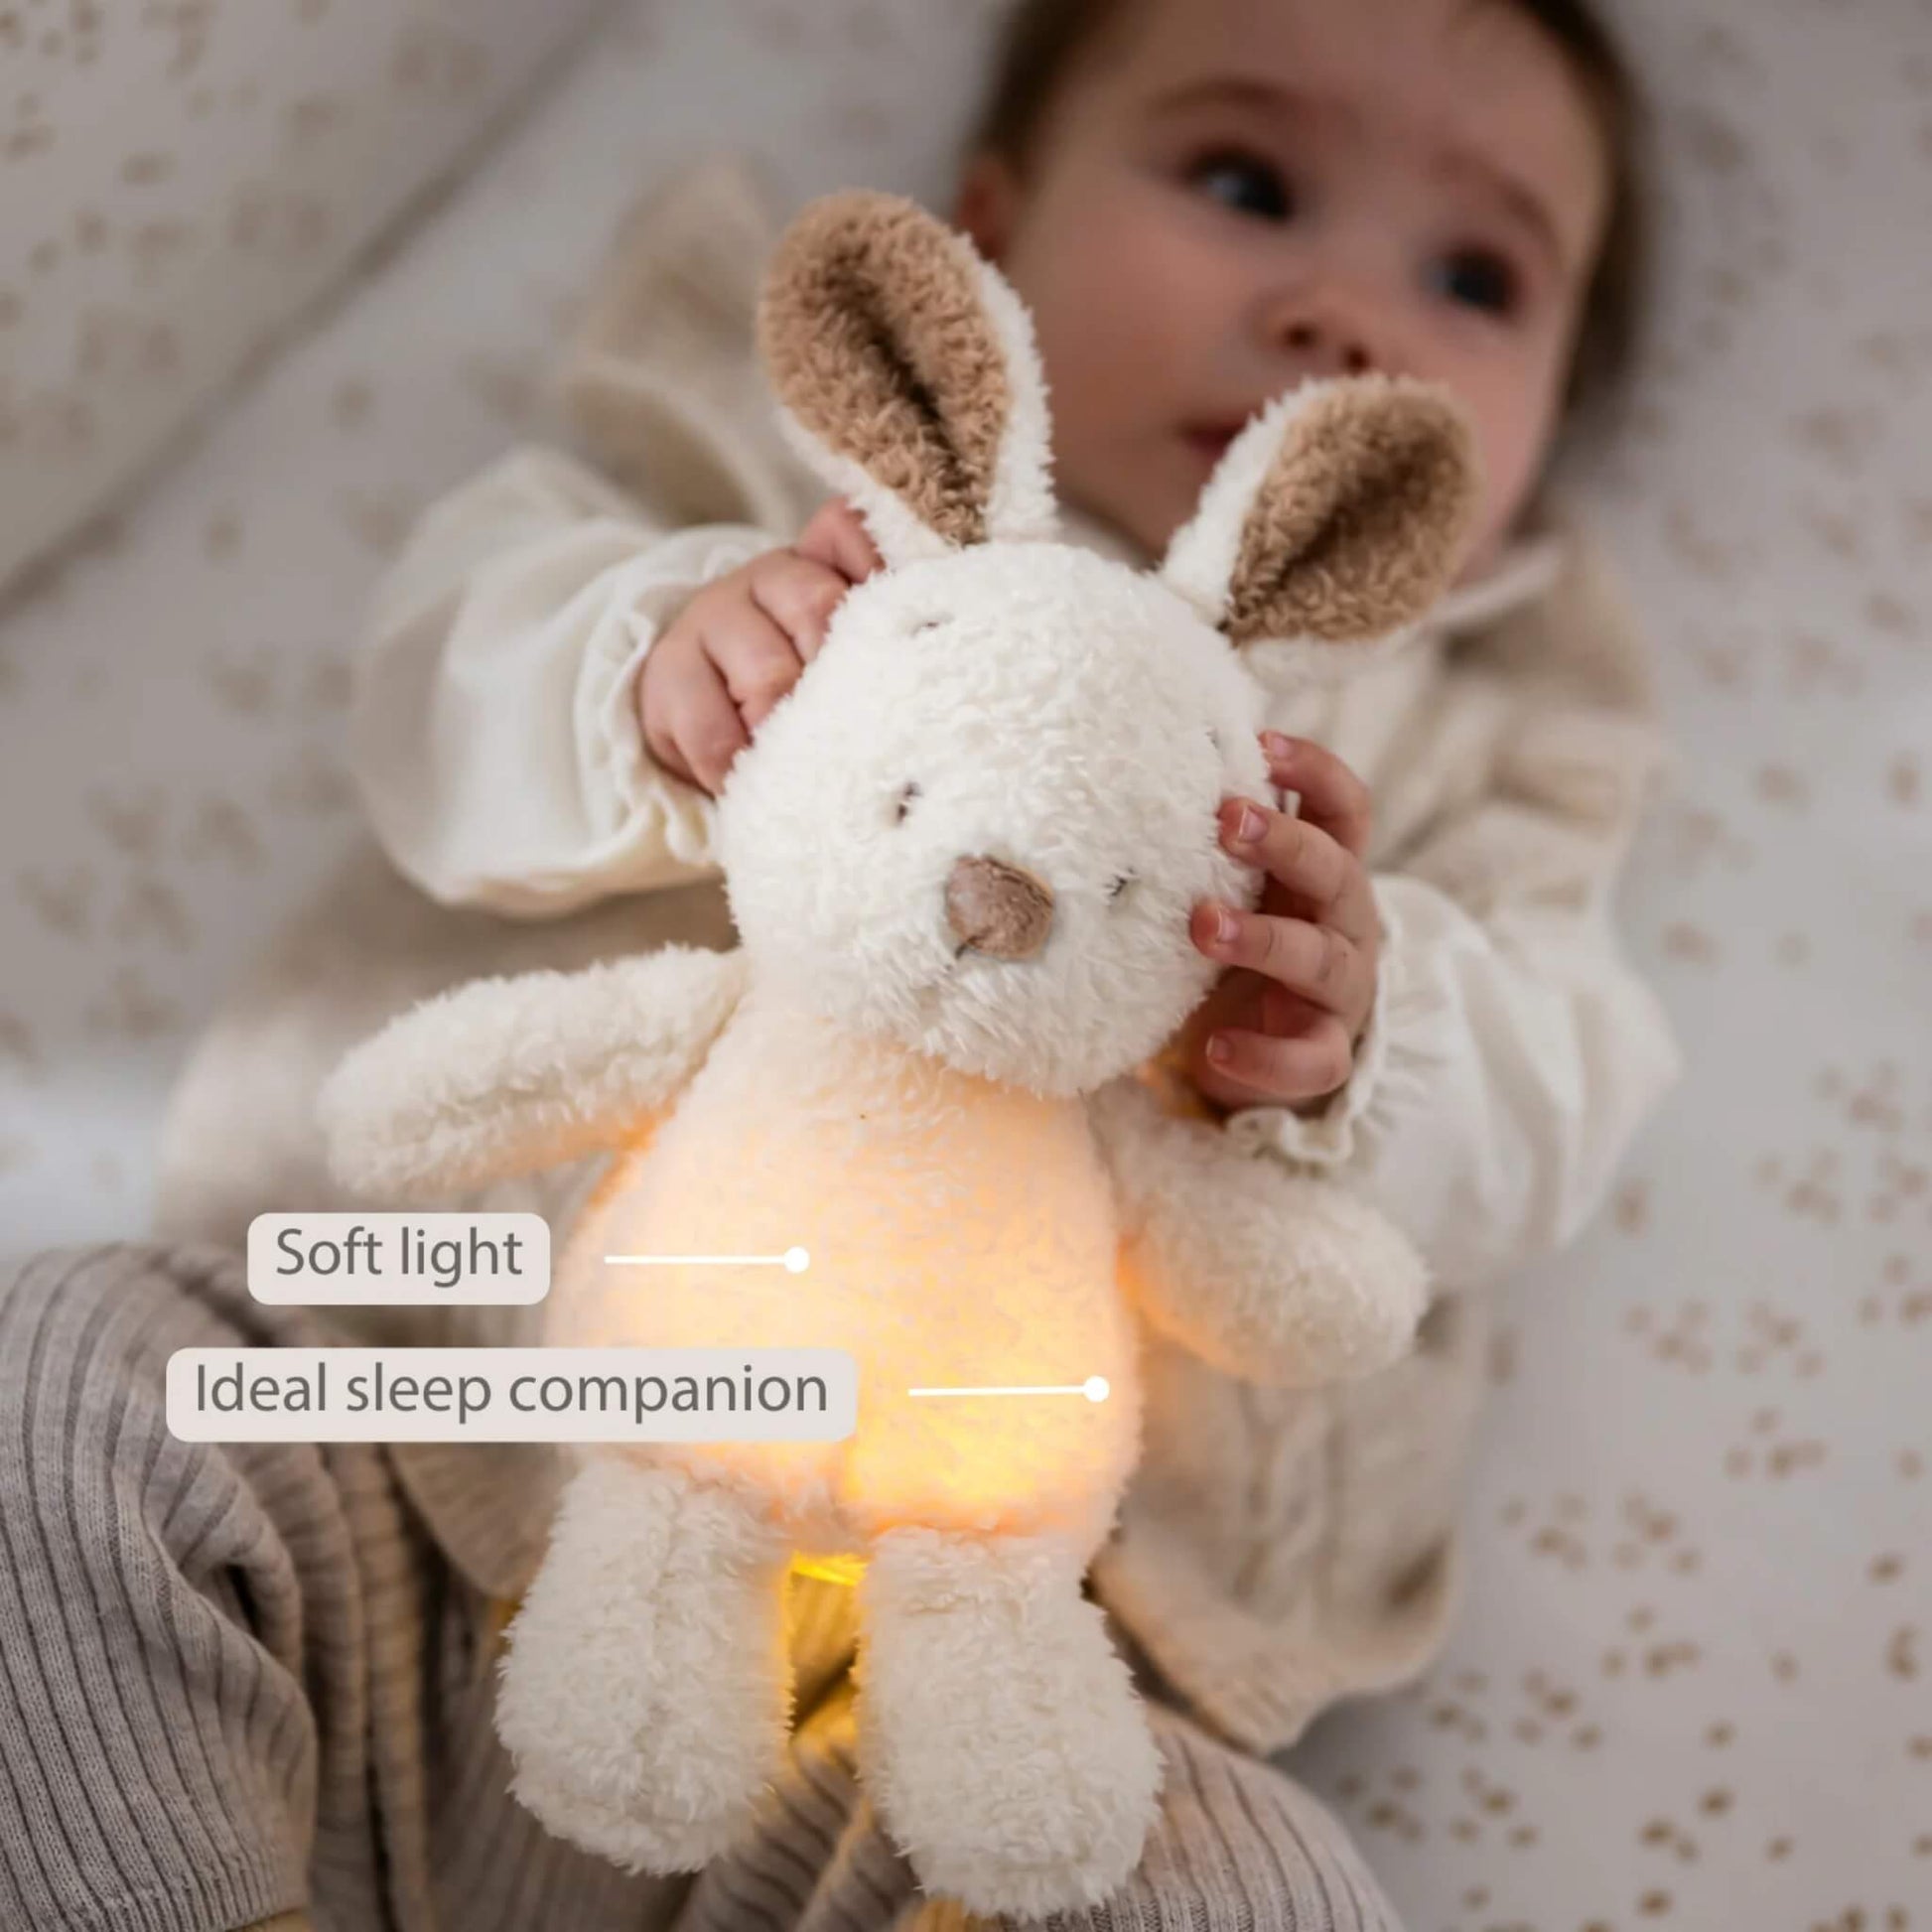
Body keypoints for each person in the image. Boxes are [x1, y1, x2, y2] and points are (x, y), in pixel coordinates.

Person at [0, 1, 1682, 1927]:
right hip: (431, 1388)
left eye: (1474, 274)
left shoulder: (1473, 725)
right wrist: (650, 667)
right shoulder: (768, 459)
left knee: (1255, 1895)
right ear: (989, 233)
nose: (1334, 309)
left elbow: (1567, 1084)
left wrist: (1355, 1032)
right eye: (1242, 179)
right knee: (67, 1377)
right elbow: (430, 693)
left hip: (955, 1682)